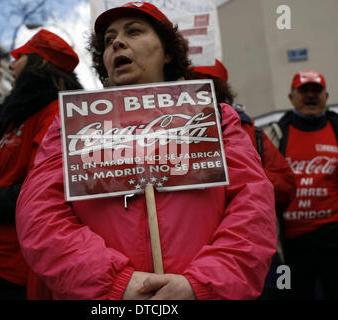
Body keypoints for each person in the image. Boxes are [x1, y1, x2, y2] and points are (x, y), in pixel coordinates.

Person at [15, 2, 276, 300]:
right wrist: (114, 283)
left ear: (167, 52)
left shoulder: (216, 116)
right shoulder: (71, 123)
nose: (117, 42)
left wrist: (200, 285)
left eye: (134, 31)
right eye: (109, 39)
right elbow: (39, 213)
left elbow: (253, 206)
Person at [0, 29, 83, 300]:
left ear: (40, 63)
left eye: (20, 56)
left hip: (15, 266)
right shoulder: (21, 117)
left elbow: (51, 192)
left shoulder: (56, 116)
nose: (10, 63)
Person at [191, 61, 297, 299]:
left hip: (250, 248)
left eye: (207, 87)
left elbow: (286, 186)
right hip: (195, 254)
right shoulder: (170, 130)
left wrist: (245, 174)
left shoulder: (248, 130)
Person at [265, 69, 338, 299]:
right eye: (303, 91)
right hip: (292, 246)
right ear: (291, 98)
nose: (310, 96)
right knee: (291, 295)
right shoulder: (274, 135)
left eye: (316, 91)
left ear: (326, 96)